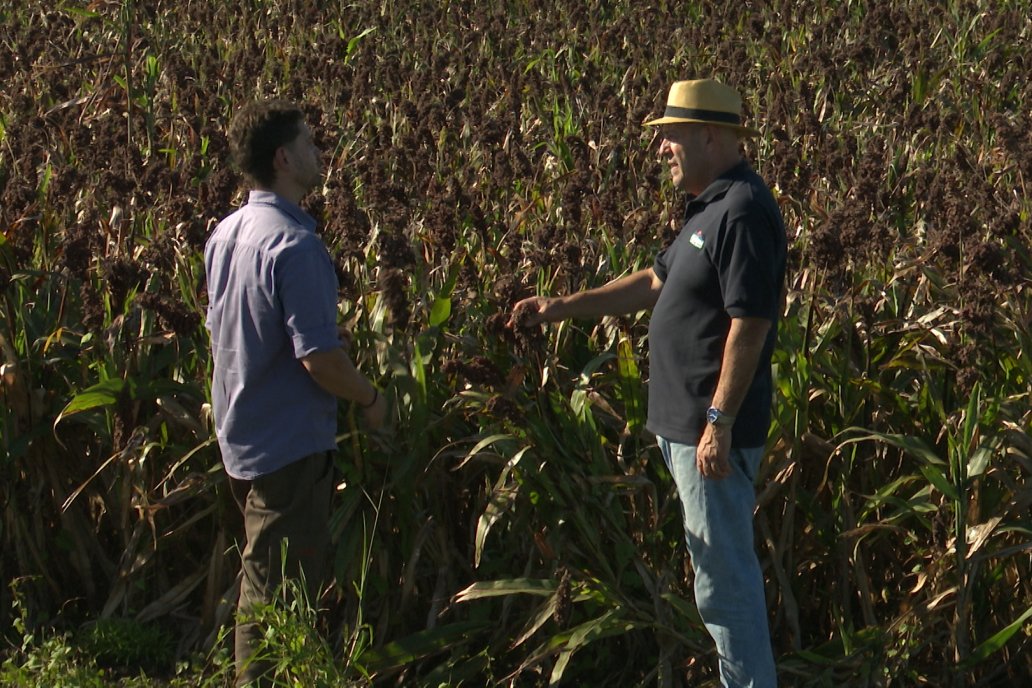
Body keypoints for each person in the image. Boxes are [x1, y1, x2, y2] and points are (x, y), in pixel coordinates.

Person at [509, 79, 785, 687]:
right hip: (688, 431)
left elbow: (751, 322)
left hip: (709, 437)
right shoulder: (709, 209)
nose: (661, 146)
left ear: (711, 135)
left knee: (725, 586)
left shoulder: (741, 211)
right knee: (716, 577)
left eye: (671, 134)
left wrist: (718, 421)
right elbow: (654, 284)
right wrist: (560, 305)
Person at [204, 99, 387, 686]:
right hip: (287, 448)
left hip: (240, 435)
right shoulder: (295, 247)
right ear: (283, 158)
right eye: (309, 144)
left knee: (266, 576)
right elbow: (320, 360)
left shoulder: (226, 233)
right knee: (271, 595)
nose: (318, 153)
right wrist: (370, 399)